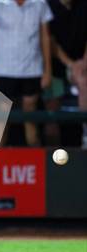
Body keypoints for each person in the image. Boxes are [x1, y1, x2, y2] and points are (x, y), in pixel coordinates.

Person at [0, 0, 53, 146]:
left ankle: (35, 165)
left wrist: (47, 71)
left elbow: (45, 38)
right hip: (4, 71)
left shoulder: (40, 4)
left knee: (31, 120)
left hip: (32, 70)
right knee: (1, 122)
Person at [46, 0, 87, 147]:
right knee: (51, 121)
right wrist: (71, 64)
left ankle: (85, 137)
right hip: (52, 68)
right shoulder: (47, 6)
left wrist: (82, 63)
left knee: (84, 80)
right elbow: (49, 42)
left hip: (80, 65)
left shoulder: (83, 6)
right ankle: (51, 158)